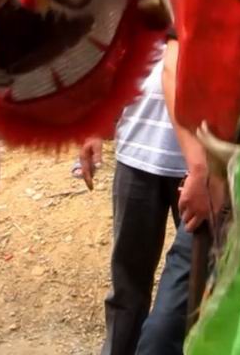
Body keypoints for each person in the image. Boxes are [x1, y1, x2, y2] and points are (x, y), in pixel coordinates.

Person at [78, 37, 225, 355]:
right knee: (127, 286)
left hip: (201, 169)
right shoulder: (143, 7)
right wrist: (96, 123)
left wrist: (206, 167)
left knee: (193, 289)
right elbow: (117, 54)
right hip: (137, 153)